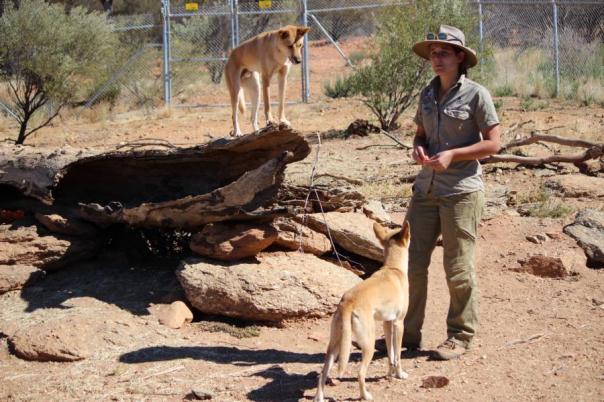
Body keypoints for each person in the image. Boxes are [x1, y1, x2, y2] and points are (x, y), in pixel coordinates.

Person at [403, 25, 501, 360]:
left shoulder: (477, 94)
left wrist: (453, 155)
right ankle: (407, 335)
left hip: (461, 191)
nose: (436, 58)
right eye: (433, 52)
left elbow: (494, 143)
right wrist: (418, 149)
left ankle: (459, 336)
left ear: (461, 57)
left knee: (458, 267)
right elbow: (419, 134)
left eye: (444, 52)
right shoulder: (427, 94)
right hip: (425, 190)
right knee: (411, 263)